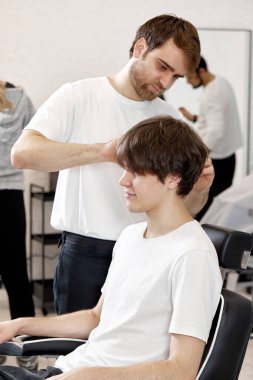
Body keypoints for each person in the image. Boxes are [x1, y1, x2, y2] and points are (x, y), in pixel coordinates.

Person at [11, 14, 214, 315]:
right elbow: (23, 154)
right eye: (163, 67)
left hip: (147, 254)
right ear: (139, 48)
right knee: (74, 353)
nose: (166, 82)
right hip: (84, 255)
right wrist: (105, 152)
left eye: (176, 77)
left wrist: (199, 188)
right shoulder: (78, 95)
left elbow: (187, 208)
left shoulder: (170, 119)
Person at [0, 115, 222, 380]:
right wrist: (18, 324)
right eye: (125, 169)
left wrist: (89, 376)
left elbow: (181, 370)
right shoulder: (131, 236)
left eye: (136, 172)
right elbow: (96, 318)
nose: (123, 180)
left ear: (173, 178)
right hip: (67, 371)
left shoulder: (192, 255)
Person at [0, 80, 38, 369]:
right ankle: (29, 349)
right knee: (16, 273)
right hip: (12, 194)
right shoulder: (22, 99)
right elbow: (35, 138)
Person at [179, 56, 243, 221]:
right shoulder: (221, 82)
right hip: (227, 156)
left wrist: (195, 156)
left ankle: (206, 243)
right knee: (215, 208)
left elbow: (216, 131)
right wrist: (193, 118)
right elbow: (215, 120)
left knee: (205, 209)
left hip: (218, 161)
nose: (187, 81)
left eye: (189, 77)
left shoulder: (211, 94)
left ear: (201, 71)